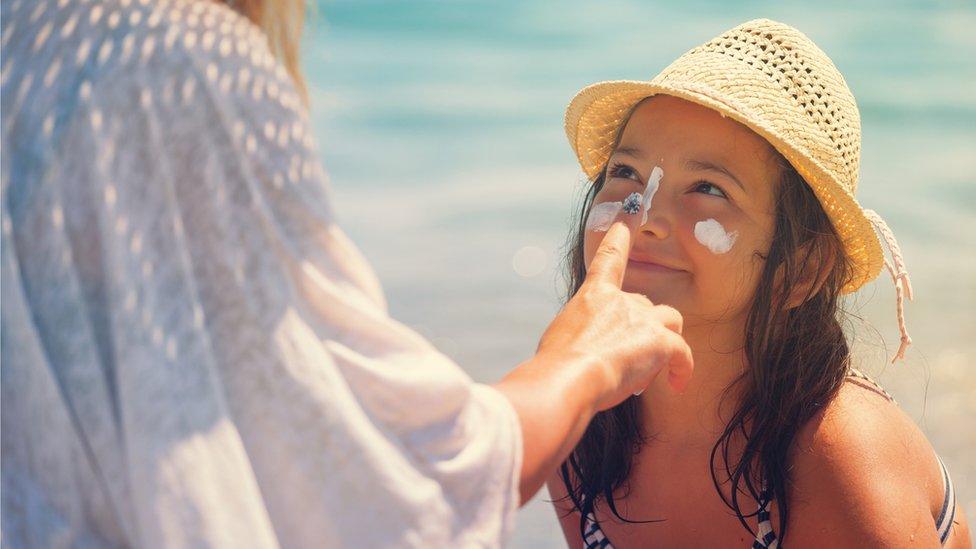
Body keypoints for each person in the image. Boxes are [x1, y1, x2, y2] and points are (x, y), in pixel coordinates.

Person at [0, 0, 694, 547]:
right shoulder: (186, 62)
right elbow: (380, 485)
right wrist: (579, 364)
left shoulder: (26, 46)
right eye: (625, 176)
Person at [547, 18, 970, 548]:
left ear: (801, 269)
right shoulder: (575, 423)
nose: (646, 214)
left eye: (707, 187)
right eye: (626, 173)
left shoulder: (837, 455)